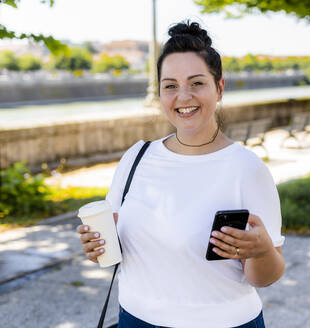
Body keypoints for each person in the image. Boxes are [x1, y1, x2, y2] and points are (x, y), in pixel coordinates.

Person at [76, 20, 285, 328]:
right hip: (134, 318)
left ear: (220, 88)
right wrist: (97, 247)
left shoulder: (246, 168)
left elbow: (265, 277)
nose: (183, 97)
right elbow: (120, 245)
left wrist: (263, 250)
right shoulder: (137, 156)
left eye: (197, 83)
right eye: (170, 85)